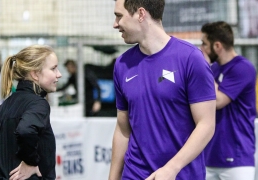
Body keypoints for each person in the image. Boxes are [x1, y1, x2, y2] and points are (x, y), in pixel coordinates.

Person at [109, 0, 216, 180]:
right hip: (135, 174)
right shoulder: (122, 64)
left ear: (141, 14)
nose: (115, 24)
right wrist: (113, 177)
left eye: (119, 16)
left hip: (182, 175)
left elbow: (206, 125)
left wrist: (171, 168)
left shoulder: (190, 58)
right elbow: (122, 129)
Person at [0, 45, 62, 180]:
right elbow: (26, 130)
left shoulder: (6, 105)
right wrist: (31, 161)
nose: (59, 74)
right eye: (53, 68)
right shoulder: (38, 104)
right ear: (35, 74)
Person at [201, 21, 257, 180]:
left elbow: (218, 101)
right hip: (210, 156)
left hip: (237, 159)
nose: (202, 49)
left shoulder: (243, 68)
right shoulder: (214, 69)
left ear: (217, 46)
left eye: (204, 43)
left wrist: (203, 65)